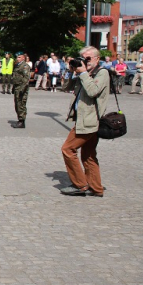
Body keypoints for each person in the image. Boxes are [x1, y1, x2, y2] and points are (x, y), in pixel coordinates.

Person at [60, 46, 109, 197]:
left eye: (88, 58)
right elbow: (65, 87)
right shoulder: (84, 73)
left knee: (68, 150)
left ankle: (80, 185)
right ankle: (96, 187)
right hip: (84, 120)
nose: (84, 61)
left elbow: (93, 91)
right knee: (88, 155)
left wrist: (83, 74)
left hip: (89, 121)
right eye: (82, 58)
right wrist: (71, 71)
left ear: (97, 59)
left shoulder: (102, 73)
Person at [11, 52, 30, 128]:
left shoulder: (25, 66)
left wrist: (22, 89)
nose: (17, 58)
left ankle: (22, 121)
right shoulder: (17, 66)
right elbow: (15, 77)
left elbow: (26, 78)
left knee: (21, 104)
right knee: (17, 104)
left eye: (19, 57)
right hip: (17, 87)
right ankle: (19, 119)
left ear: (23, 58)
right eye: (17, 57)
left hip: (22, 88)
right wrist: (13, 87)